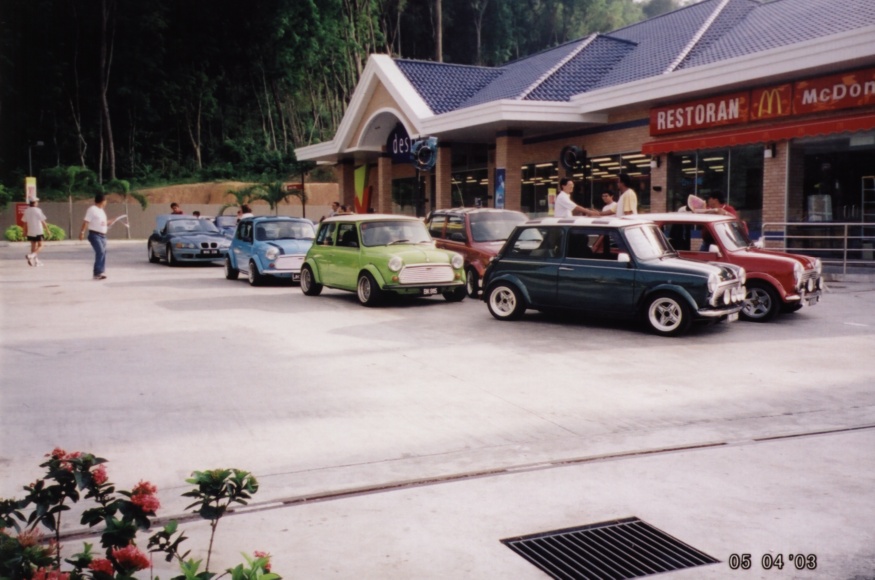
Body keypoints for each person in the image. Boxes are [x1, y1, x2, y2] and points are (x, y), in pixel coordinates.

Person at [79, 193, 119, 280]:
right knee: (100, 251)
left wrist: (111, 221)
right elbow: (86, 221)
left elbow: (103, 223)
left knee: (103, 252)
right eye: (105, 201)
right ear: (102, 201)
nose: (106, 203)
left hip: (103, 236)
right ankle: (98, 272)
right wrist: (82, 232)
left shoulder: (101, 211)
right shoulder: (92, 209)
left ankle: (100, 271)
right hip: (94, 235)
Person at [23, 198, 49, 266]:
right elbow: (43, 221)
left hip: (30, 231)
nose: (37, 203)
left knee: (33, 246)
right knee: (41, 245)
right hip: (38, 230)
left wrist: (24, 231)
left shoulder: (26, 211)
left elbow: (25, 222)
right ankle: (31, 256)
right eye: (37, 202)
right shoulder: (38, 210)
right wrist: (47, 230)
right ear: (34, 203)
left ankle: (36, 261)